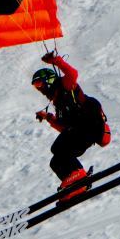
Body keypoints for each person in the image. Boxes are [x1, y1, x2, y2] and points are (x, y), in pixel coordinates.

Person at [32, 51, 111, 200]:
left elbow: (72, 73)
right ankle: (76, 186)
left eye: (39, 84)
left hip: (90, 125)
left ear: (48, 80)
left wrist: (56, 61)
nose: (39, 89)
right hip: (81, 131)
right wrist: (48, 117)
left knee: (59, 147)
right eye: (36, 86)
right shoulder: (57, 103)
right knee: (55, 161)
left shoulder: (64, 85)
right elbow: (64, 128)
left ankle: (78, 175)